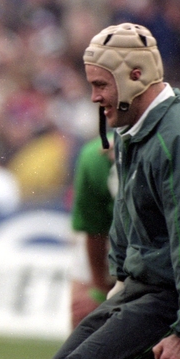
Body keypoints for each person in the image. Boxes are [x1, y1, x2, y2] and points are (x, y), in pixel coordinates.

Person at [41, 23, 180, 359]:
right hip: (144, 291)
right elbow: (126, 220)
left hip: (171, 301)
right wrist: (119, 280)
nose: (94, 97)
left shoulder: (178, 138)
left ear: (135, 76)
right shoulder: (132, 133)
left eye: (100, 85)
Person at [68, 135, 116, 328]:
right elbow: (94, 231)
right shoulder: (96, 158)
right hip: (110, 241)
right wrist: (98, 288)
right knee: (83, 315)